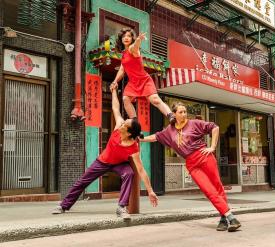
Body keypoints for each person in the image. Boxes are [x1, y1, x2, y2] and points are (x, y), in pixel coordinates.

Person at [52, 83, 158, 217]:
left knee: (129, 173)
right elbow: (115, 107)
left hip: (119, 164)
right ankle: (63, 206)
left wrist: (150, 191)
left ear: (129, 133)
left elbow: (141, 170)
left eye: (125, 124)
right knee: (82, 181)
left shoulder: (133, 146)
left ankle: (121, 207)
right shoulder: (118, 128)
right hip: (103, 161)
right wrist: (114, 91)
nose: (122, 122)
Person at [140, 102, 241, 232]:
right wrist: (141, 139)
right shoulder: (169, 131)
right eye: (180, 112)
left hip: (204, 157)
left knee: (217, 186)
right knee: (208, 190)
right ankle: (230, 217)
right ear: (174, 114)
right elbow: (156, 137)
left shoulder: (194, 123)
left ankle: (224, 218)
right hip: (192, 164)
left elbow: (214, 127)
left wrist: (213, 147)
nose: (183, 114)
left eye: (185, 111)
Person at [112, 28, 175, 124]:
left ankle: (170, 115)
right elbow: (122, 69)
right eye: (124, 36)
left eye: (129, 36)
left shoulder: (133, 49)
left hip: (144, 80)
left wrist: (138, 40)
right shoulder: (124, 54)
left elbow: (135, 47)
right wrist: (115, 81)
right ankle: (135, 121)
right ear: (121, 39)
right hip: (133, 83)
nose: (126, 38)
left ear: (132, 38)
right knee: (126, 99)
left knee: (155, 100)